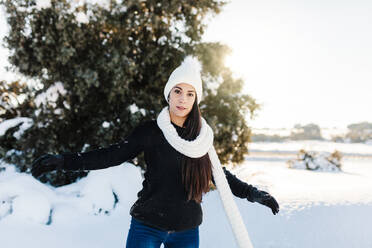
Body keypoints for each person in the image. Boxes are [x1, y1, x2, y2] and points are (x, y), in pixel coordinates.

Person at [31, 56, 279, 248]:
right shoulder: (151, 131)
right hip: (147, 226)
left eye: (190, 93)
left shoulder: (201, 138)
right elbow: (110, 155)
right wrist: (63, 161)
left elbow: (220, 176)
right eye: (178, 91)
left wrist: (253, 193)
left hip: (187, 230)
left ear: (195, 100)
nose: (183, 99)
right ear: (169, 94)